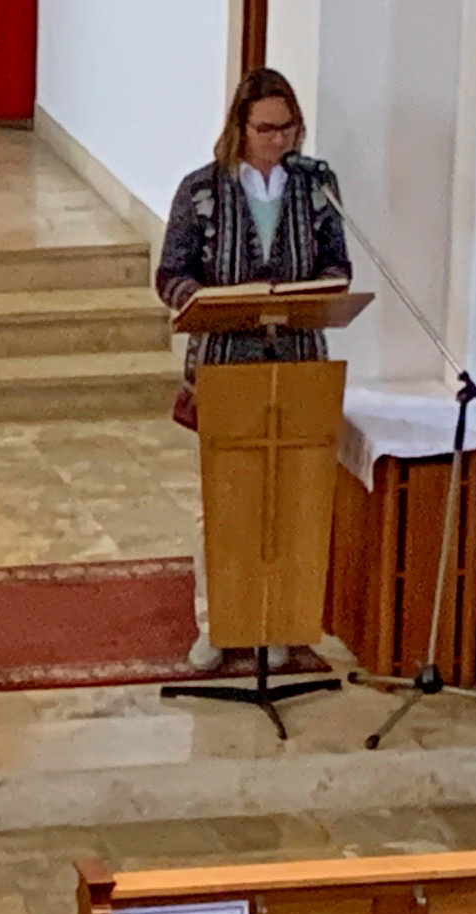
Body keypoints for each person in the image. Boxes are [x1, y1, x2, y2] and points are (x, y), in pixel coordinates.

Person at [156, 68, 352, 673]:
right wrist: (204, 300)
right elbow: (170, 274)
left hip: (297, 362)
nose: (278, 140)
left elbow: (337, 264)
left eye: (287, 128)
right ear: (240, 126)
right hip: (226, 365)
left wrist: (319, 290)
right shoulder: (201, 189)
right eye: (266, 128)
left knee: (289, 498)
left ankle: (277, 623)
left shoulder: (317, 186)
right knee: (223, 501)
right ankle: (217, 623)